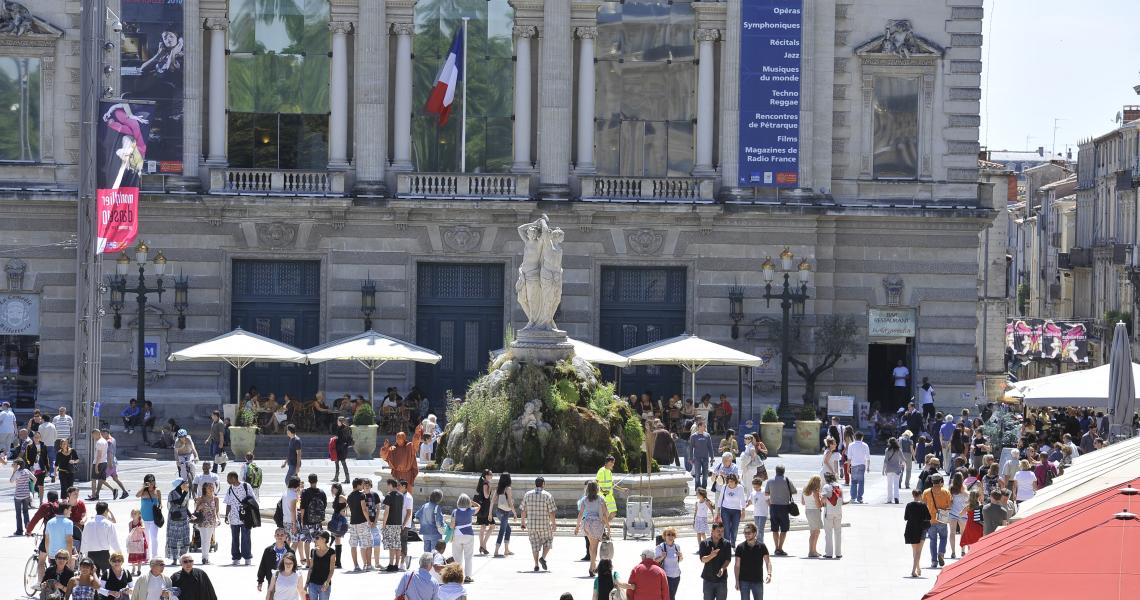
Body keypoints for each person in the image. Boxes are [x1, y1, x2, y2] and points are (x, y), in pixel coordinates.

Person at [520, 476, 557, 572]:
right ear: (543, 484)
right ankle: (543, 558)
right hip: (544, 524)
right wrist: (553, 524)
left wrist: (523, 522)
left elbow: (523, 510)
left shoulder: (527, 494)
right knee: (549, 540)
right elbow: (552, 512)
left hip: (531, 525)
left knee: (534, 545)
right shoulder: (547, 495)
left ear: (535, 484)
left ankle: (536, 564)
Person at [575, 480, 608, 577]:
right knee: (594, 547)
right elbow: (605, 513)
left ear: (588, 489)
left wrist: (577, 526)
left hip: (587, 523)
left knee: (591, 546)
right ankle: (591, 567)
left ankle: (593, 565)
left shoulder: (584, 499)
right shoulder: (601, 499)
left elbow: (580, 514)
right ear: (597, 488)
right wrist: (608, 526)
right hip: (596, 524)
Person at [222, 471, 256, 566]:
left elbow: (253, 499)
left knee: (246, 538)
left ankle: (247, 557)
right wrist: (226, 516)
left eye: (228, 478)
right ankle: (236, 557)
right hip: (233, 517)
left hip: (245, 517)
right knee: (234, 538)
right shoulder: (230, 489)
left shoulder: (246, 486)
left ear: (234, 478)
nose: (227, 480)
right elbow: (228, 503)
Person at [733, 522, 772, 600]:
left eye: (749, 533)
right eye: (745, 533)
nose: (746, 535)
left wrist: (769, 574)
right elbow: (737, 565)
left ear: (755, 533)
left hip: (757, 580)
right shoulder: (740, 547)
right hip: (744, 581)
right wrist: (737, 581)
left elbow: (768, 562)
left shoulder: (762, 546)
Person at [762, 465, 795, 556]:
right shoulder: (787, 480)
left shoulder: (770, 481)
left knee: (775, 529)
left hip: (773, 507)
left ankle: (776, 548)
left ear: (776, 471)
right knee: (784, 529)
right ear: (784, 471)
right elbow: (794, 491)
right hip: (784, 507)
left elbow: (766, 493)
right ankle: (780, 548)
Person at [81, 501, 121, 574]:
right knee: (107, 578)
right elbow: (113, 541)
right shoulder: (108, 524)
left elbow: (84, 539)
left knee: (93, 578)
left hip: (91, 554)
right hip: (104, 555)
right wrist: (119, 553)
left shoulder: (88, 523)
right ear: (106, 511)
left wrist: (83, 553)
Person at [922, 474, 951, 568]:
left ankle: (934, 561)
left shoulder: (926, 492)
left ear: (932, 481)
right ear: (941, 481)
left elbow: (923, 505)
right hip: (942, 518)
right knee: (943, 538)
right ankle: (941, 553)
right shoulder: (946, 491)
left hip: (931, 519)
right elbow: (950, 504)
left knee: (933, 540)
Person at [298, 473, 327, 567]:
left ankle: (308, 563)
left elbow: (302, 508)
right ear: (317, 480)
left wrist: (302, 520)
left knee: (307, 541)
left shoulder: (305, 492)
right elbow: (324, 506)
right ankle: (316, 560)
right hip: (318, 522)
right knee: (317, 541)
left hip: (307, 520)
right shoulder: (322, 492)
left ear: (309, 481)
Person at [698, 522, 732, 600]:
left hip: (721, 580)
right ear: (712, 531)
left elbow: (728, 559)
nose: (720, 533)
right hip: (708, 579)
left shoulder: (727, 544)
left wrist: (723, 568)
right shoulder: (704, 543)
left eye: (722, 531)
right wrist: (711, 556)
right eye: (718, 531)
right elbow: (702, 559)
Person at [450, 493, 478, 583]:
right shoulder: (470, 510)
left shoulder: (455, 511)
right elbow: (479, 506)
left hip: (457, 535)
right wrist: (472, 502)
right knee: (468, 557)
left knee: (457, 557)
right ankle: (468, 576)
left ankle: (457, 576)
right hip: (469, 535)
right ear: (468, 502)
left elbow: (452, 525)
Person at [903, 489, 931, 577]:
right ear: (920, 495)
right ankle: (913, 570)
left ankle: (918, 568)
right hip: (921, 529)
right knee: (919, 551)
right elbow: (929, 517)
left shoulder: (909, 505)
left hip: (911, 529)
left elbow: (906, 517)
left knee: (914, 551)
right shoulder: (923, 505)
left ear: (913, 495)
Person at [379, 478, 405, 571]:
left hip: (390, 523)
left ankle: (390, 564)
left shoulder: (389, 496)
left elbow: (386, 511)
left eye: (388, 485)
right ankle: (396, 564)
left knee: (391, 545)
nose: (387, 487)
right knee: (397, 544)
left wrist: (383, 524)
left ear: (390, 485)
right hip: (398, 523)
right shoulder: (401, 495)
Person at [715, 473, 747, 547]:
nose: (730, 483)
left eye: (732, 481)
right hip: (725, 509)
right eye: (729, 481)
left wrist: (743, 511)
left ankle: (733, 542)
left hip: (736, 510)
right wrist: (718, 511)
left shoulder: (740, 488)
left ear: (735, 481)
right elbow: (720, 499)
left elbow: (743, 499)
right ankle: (727, 544)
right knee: (726, 528)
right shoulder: (724, 487)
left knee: (735, 528)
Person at [257, 528, 291, 592]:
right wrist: (260, 581)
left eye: (282, 535)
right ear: (274, 536)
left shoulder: (290, 552)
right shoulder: (268, 551)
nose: (279, 536)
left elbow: (294, 568)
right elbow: (263, 566)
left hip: (286, 582)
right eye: (277, 535)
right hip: (272, 581)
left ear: (285, 536)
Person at [595, 455, 626, 527]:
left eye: (613, 462)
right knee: (605, 514)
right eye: (612, 462)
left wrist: (622, 489)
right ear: (607, 462)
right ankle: (602, 530)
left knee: (613, 513)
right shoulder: (601, 471)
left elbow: (612, 484)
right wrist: (602, 491)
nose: (613, 464)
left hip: (610, 496)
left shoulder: (609, 472)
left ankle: (602, 526)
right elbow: (596, 483)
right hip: (603, 497)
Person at [306, 530, 336, 600]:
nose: (314, 540)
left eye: (317, 538)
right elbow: (311, 568)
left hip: (324, 585)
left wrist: (327, 582)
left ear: (324, 539)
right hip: (312, 583)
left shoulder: (331, 552)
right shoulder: (313, 551)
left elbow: (332, 569)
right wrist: (307, 583)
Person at [654, 527, 683, 600]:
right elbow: (655, 561)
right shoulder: (660, 547)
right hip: (666, 577)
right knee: (669, 597)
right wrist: (662, 557)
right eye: (668, 534)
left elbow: (680, 560)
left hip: (677, 576)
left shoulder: (677, 547)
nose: (671, 536)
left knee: (672, 595)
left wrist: (681, 556)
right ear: (664, 536)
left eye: (672, 534)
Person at [194, 481, 219, 564]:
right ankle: (204, 558)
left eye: (212, 487)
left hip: (212, 521)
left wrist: (218, 519)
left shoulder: (215, 498)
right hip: (203, 521)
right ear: (205, 489)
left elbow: (217, 510)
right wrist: (199, 507)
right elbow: (196, 511)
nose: (211, 489)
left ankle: (206, 557)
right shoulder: (201, 498)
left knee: (208, 540)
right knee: (204, 539)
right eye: (209, 487)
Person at [492, 471, 515, 557]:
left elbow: (492, 501)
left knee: (508, 529)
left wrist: (490, 513)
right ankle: (496, 551)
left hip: (498, 512)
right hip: (505, 512)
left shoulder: (498, 488)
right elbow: (510, 503)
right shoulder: (508, 489)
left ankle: (506, 550)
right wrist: (515, 513)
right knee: (502, 531)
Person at [946, 472, 968, 559]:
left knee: (952, 533)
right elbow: (967, 499)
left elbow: (949, 501)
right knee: (963, 533)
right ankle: (963, 550)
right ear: (962, 478)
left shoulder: (951, 488)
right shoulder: (964, 488)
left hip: (953, 513)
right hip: (963, 513)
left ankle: (953, 552)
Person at [801, 474, 823, 558]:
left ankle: (813, 550)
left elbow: (803, 502)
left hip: (808, 511)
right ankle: (811, 551)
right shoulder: (815, 491)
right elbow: (818, 505)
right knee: (815, 532)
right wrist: (821, 500)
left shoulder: (805, 489)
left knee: (813, 532)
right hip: (814, 511)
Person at [689, 421, 715, 489]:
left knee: (705, 475)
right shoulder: (693, 436)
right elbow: (691, 448)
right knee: (697, 475)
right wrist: (691, 458)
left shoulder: (707, 435)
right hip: (697, 458)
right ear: (699, 426)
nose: (705, 427)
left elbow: (710, 447)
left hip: (705, 458)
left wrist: (712, 457)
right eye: (704, 426)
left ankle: (704, 488)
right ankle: (697, 488)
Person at [473, 469, 494, 555]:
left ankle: (482, 546)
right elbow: (486, 496)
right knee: (492, 526)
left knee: (483, 527)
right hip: (485, 507)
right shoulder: (486, 483)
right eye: (490, 474)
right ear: (486, 475)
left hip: (482, 507)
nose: (492, 476)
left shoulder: (483, 482)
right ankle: (483, 545)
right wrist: (490, 487)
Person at [10, 457, 33, 534]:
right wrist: (31, 489)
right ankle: (28, 529)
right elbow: (35, 479)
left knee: (18, 513)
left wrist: (14, 470)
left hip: (18, 496)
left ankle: (19, 530)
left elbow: (11, 481)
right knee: (26, 512)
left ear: (18, 465)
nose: (13, 465)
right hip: (26, 495)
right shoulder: (26, 471)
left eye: (14, 464)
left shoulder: (17, 472)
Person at [847, 431, 871, 503]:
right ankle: (859, 498)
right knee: (861, 482)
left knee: (853, 482)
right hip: (862, 465)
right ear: (862, 437)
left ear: (854, 437)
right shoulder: (865, 445)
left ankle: (853, 498)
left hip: (854, 465)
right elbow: (868, 457)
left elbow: (849, 457)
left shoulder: (851, 445)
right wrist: (868, 467)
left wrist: (848, 467)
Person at [126, 509, 149, 575]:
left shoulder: (141, 521)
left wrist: (140, 528)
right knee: (133, 555)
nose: (133, 515)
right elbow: (130, 531)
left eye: (134, 513)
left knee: (140, 556)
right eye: (132, 513)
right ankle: (133, 568)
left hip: (140, 541)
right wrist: (134, 530)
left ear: (139, 515)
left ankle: (139, 569)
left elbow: (143, 527)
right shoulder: (130, 523)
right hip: (133, 540)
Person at [332, 417, 352, 483]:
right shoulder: (340, 428)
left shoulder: (346, 429)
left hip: (342, 448)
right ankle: (336, 477)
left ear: (341, 421)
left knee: (343, 463)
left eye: (338, 421)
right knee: (336, 462)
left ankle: (347, 479)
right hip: (338, 448)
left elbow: (345, 439)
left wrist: (337, 438)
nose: (337, 422)